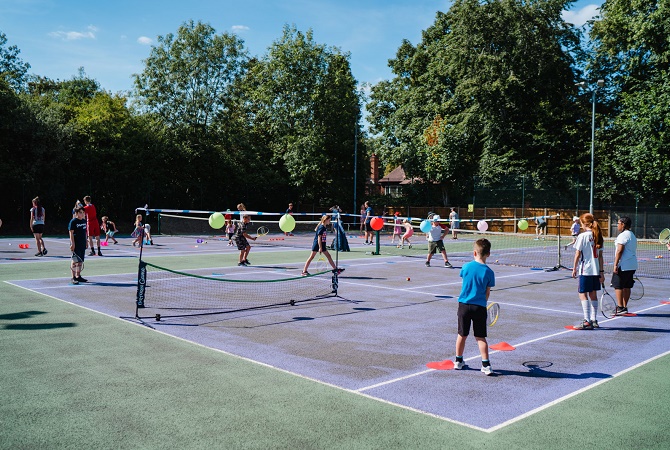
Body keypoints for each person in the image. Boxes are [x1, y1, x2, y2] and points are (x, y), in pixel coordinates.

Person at [453, 238, 495, 375]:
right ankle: (486, 365)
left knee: (462, 334)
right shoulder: (489, 272)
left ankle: (458, 361)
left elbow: (465, 280)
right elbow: (487, 292)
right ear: (488, 254)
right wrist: (483, 302)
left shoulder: (465, 267)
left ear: (474, 253)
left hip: (464, 305)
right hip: (479, 307)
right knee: (480, 337)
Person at [571, 213, 605, 329]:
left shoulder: (582, 236)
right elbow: (600, 257)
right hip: (595, 271)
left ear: (584, 224)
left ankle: (586, 321)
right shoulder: (598, 235)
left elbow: (577, 253)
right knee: (593, 294)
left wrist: (574, 268)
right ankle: (594, 320)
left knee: (582, 294)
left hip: (585, 270)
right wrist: (601, 272)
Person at [612, 216, 637, 315]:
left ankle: (620, 307)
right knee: (627, 286)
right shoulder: (632, 235)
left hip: (624, 265)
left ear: (623, 224)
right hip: (632, 264)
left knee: (618, 285)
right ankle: (624, 307)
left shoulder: (623, 235)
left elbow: (619, 250)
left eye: (618, 223)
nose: (617, 225)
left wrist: (615, 265)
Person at [68, 207, 88, 284]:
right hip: (76, 244)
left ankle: (78, 276)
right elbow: (71, 233)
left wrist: (86, 241)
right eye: (80, 212)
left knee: (80, 261)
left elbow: (84, 233)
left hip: (82, 243)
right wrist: (72, 243)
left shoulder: (84, 221)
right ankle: (73, 277)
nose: (82, 214)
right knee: (74, 261)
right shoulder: (73, 221)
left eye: (83, 212)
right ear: (76, 213)